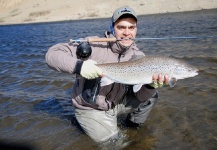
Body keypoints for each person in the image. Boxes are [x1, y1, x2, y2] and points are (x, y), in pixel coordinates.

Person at [45, 6, 169, 142]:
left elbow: (139, 95)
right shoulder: (94, 45)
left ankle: (133, 125)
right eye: (121, 27)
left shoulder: (138, 55)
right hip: (92, 108)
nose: (127, 32)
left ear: (136, 30)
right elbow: (52, 54)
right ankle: (86, 121)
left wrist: (150, 86)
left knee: (152, 96)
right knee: (115, 144)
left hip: (117, 103)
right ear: (112, 27)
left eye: (131, 28)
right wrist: (79, 66)